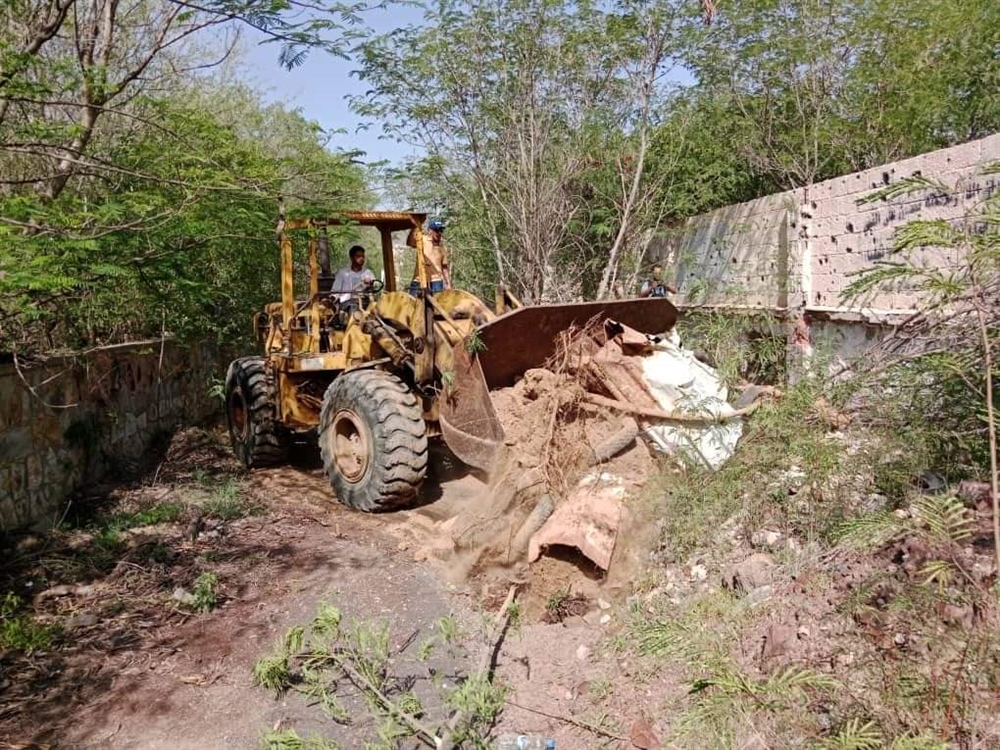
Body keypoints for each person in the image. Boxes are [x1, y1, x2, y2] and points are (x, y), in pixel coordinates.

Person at [409, 219, 452, 296]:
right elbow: (410, 243)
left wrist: (448, 284)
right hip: (419, 280)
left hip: (436, 282)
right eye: (436, 230)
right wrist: (413, 227)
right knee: (412, 304)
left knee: (438, 306)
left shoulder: (442, 248)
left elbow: (444, 267)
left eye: (441, 231)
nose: (439, 233)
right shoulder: (422, 239)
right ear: (430, 231)